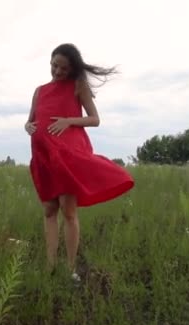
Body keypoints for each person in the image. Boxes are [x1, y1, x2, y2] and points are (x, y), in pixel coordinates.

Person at [25, 43, 135, 281]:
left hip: (67, 156)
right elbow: (30, 120)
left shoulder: (78, 86)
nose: (57, 71)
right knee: (49, 210)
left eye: (63, 68)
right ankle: (51, 267)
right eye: (54, 65)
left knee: (68, 211)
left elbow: (95, 119)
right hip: (43, 156)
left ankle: (70, 268)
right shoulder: (39, 91)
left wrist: (68, 121)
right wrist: (28, 126)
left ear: (72, 68)